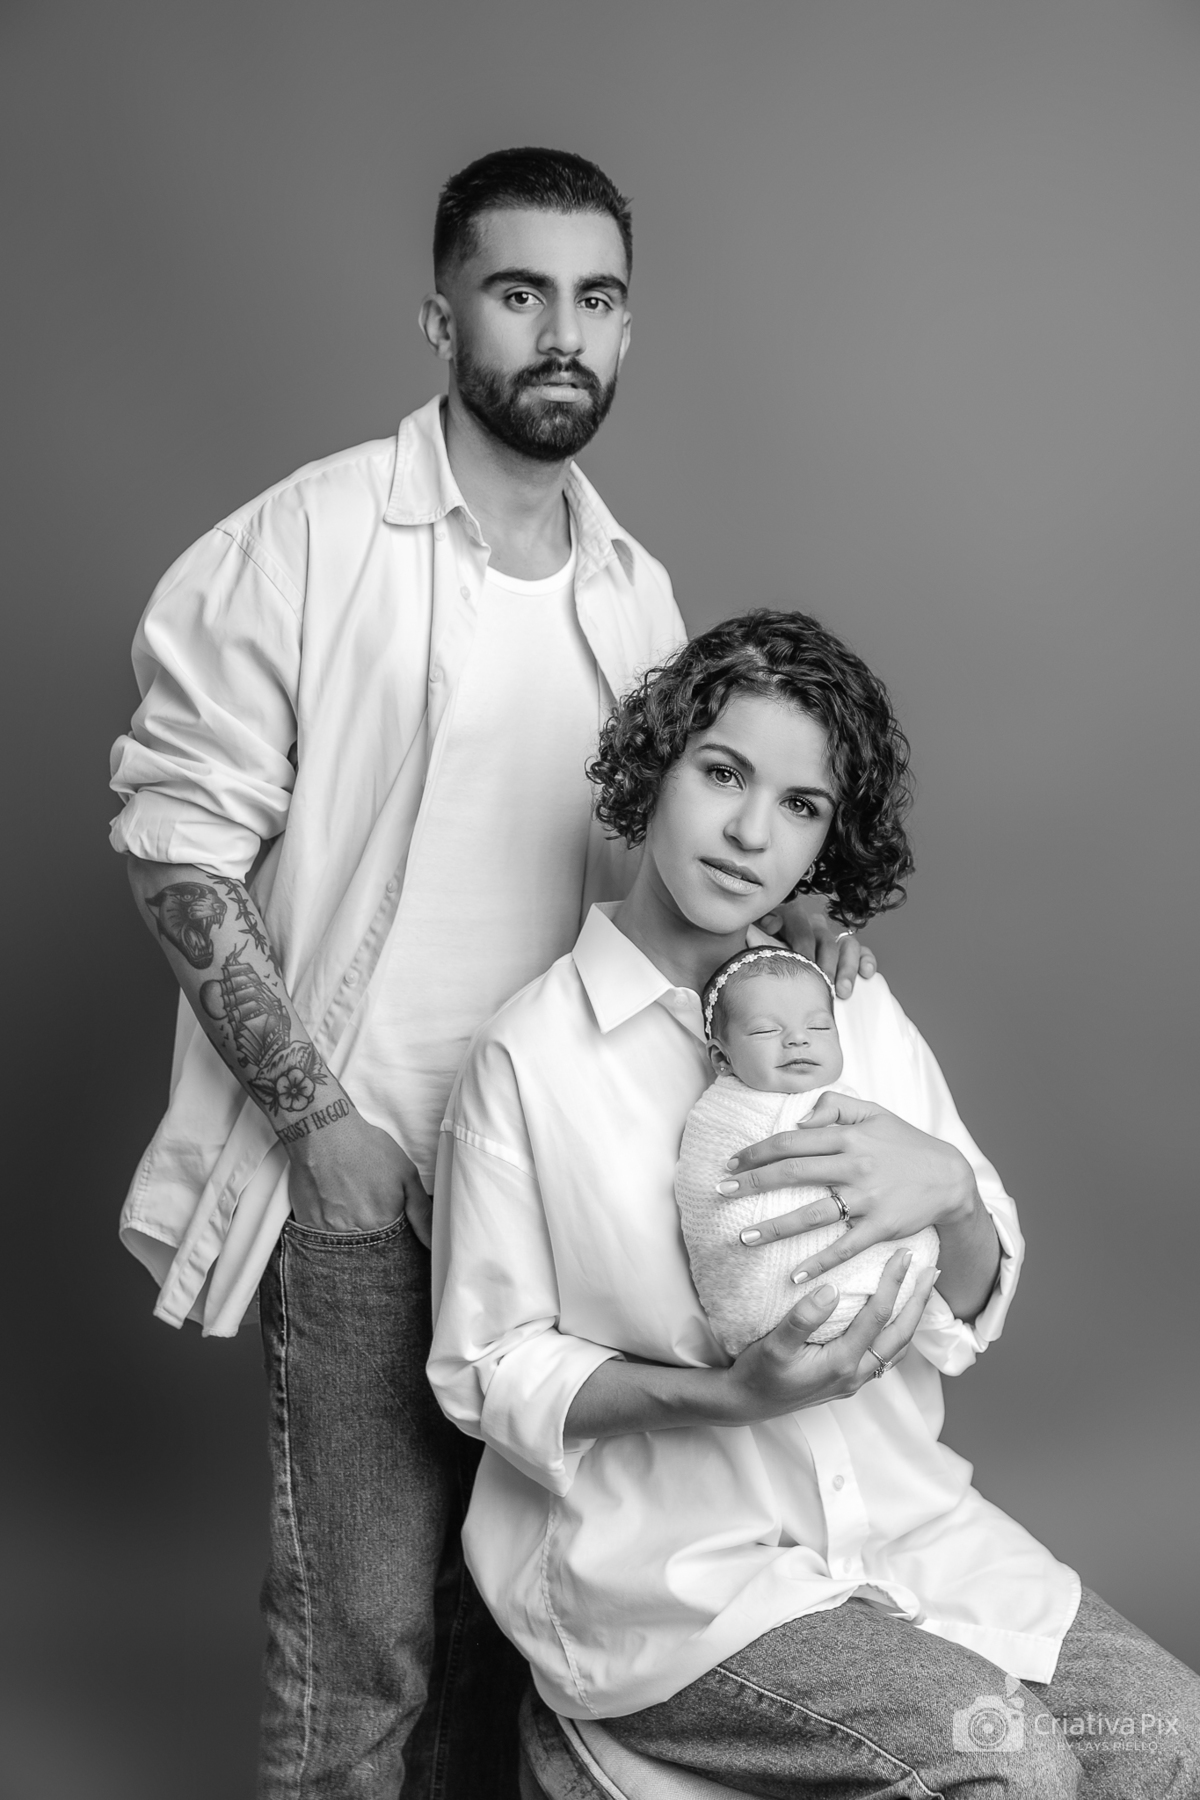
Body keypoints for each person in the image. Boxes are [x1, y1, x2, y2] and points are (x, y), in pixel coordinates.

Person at [108, 146, 868, 1800]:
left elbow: (660, 875)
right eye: (521, 292)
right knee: (361, 1637)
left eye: (597, 298)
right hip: (368, 1174)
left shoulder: (634, 595)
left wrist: (783, 935)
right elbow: (175, 848)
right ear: (441, 315)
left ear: (628, 327)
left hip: (558, 1182)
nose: (562, 334)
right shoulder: (309, 542)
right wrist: (319, 1127)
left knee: (510, 1618)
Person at [429, 608, 1200, 1797]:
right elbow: (489, 1368)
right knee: (1008, 1767)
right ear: (655, 766)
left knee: (1169, 1738)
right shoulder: (530, 1058)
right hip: (679, 1581)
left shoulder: (851, 1009)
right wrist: (730, 1397)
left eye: (801, 805)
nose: (751, 834)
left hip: (905, 1528)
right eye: (722, 773)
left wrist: (951, 1196)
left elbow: (965, 1304)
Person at [675, 945, 938, 1355]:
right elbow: (703, 1195)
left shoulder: (853, 1105)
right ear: (722, 1058)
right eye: (766, 1031)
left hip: (867, 1296)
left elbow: (906, 1187)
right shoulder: (717, 1116)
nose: (798, 1039)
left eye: (818, 1027)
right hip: (759, 1305)